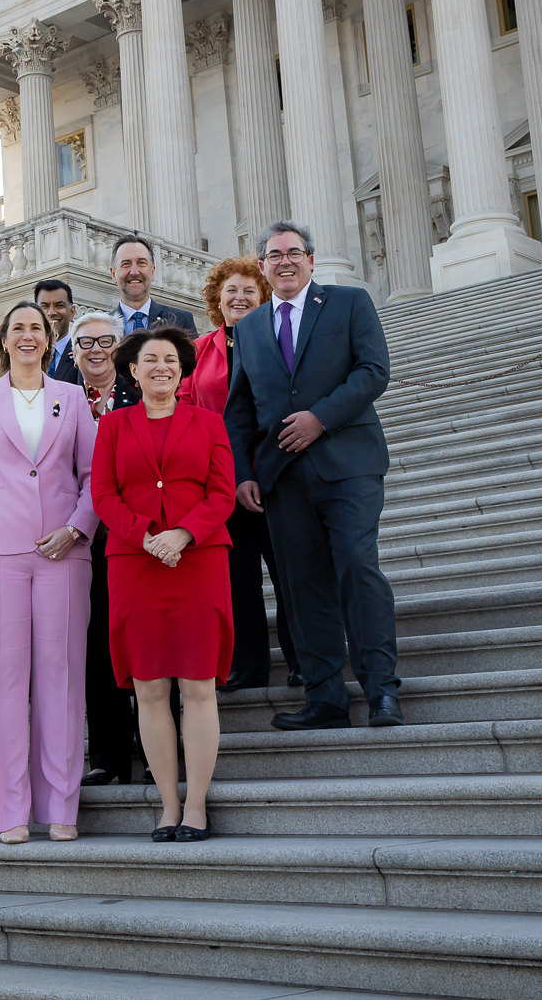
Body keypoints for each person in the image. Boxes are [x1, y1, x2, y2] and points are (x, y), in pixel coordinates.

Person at [224, 220, 400, 731]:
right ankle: (325, 699)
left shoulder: (349, 303)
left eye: (294, 252)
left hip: (349, 466)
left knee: (356, 567)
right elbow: (240, 408)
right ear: (262, 266)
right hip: (281, 477)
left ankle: (381, 689)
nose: (285, 262)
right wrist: (243, 473)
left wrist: (320, 418)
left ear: (310, 260)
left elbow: (373, 370)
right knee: (302, 586)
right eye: (274, 255)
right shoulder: (249, 328)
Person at [0, 301, 98, 844]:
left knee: (61, 680)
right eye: (18, 329)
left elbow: (94, 476)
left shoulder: (71, 397)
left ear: (49, 340)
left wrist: (77, 529)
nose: (28, 335)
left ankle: (60, 807)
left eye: (37, 328)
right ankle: (7, 812)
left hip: (64, 552)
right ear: (5, 341)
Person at [91, 327, 235, 840]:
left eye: (170, 359)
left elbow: (222, 494)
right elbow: (103, 495)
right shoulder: (112, 426)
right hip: (135, 561)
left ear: (182, 370)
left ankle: (195, 806)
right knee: (149, 687)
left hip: (198, 559)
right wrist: (146, 536)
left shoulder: (209, 423)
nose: (161, 367)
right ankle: (168, 805)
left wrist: (183, 533)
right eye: (150, 359)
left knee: (197, 684)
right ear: (133, 370)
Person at [185, 258, 301, 693]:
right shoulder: (199, 350)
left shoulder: (282, 339)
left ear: (264, 297)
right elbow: (186, 407)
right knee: (237, 577)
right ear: (217, 298)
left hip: (277, 472)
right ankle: (248, 664)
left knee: (289, 572)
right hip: (221, 478)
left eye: (249, 291)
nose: (239, 297)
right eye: (230, 290)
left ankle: (301, 658)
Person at [61, 311, 139, 788]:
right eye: (85, 343)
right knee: (94, 647)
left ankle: (155, 749)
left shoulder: (140, 393)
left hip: (137, 536)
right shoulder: (61, 401)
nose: (95, 350)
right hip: (84, 541)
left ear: (120, 347)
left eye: (105, 341)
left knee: (145, 643)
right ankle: (108, 755)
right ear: (72, 354)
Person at [110, 235, 199, 335]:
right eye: (126, 264)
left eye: (141, 263)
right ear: (113, 274)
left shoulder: (180, 321)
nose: (134, 272)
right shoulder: (103, 326)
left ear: (152, 272)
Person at [34, 279, 77, 369]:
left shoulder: (82, 354)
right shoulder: (26, 354)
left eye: (59, 305)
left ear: (71, 312)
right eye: (44, 306)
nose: (51, 312)